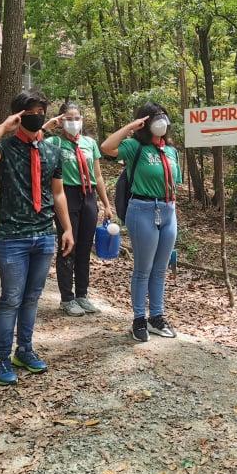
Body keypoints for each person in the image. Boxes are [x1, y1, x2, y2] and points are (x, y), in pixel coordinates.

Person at [0, 89, 74, 386]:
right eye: (30, 112)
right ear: (18, 115)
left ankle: (24, 350)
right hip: (13, 236)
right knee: (11, 299)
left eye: (41, 111)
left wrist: (67, 228)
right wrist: (4, 127)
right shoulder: (6, 147)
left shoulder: (52, 150)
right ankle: (2, 357)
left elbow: (58, 193)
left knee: (32, 297)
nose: (37, 117)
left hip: (44, 234)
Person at [101, 102, 182, 342]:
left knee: (160, 269)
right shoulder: (135, 146)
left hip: (168, 211)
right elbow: (106, 147)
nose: (161, 121)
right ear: (145, 122)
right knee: (142, 269)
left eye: (163, 116)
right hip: (142, 210)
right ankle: (138, 319)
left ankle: (156, 317)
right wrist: (130, 127)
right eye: (155, 117)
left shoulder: (171, 151)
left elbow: (174, 183)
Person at [43, 102, 114, 316]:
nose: (73, 122)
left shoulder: (89, 143)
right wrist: (47, 126)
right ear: (61, 121)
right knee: (68, 245)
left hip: (88, 196)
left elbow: (97, 175)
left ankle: (82, 294)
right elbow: (34, 141)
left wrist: (106, 204)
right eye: (68, 118)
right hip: (66, 194)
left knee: (84, 247)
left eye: (76, 118)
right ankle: (67, 298)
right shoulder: (54, 142)